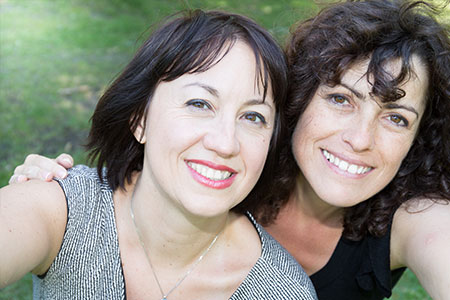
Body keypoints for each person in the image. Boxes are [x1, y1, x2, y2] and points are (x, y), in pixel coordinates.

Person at [9, 0, 450, 299]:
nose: (360, 138)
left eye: (397, 118)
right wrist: (48, 200)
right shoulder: (73, 208)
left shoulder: (410, 220)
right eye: (340, 99)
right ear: (297, 105)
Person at [0, 10, 318, 300]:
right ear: (140, 120)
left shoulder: (283, 291)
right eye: (199, 104)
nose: (225, 143)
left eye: (253, 117)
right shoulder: (66, 211)